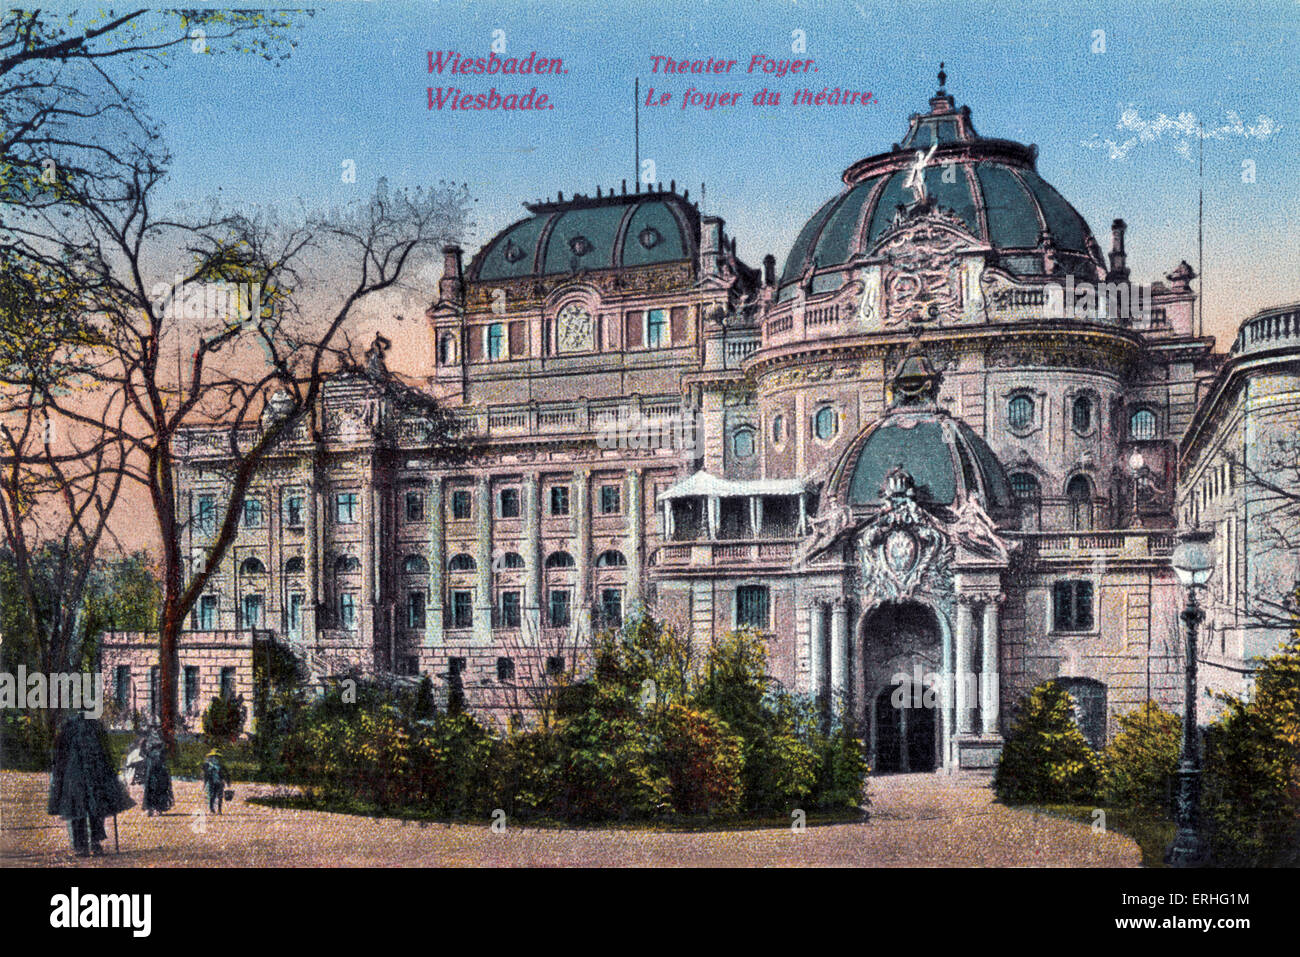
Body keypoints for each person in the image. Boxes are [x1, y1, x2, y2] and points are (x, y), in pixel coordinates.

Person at [47, 713, 134, 857]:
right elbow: (60, 752)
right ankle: (84, 845)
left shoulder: (91, 725)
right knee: (81, 809)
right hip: (78, 773)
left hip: (90, 772)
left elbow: (104, 751)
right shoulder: (72, 726)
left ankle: (91, 843)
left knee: (93, 808)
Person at [136, 727, 174, 816]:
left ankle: (157, 808)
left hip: (159, 770)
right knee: (152, 789)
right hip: (152, 770)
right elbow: (143, 753)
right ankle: (152, 808)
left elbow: (144, 753)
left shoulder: (161, 748)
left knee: (158, 789)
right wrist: (142, 745)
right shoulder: (151, 747)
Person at [201, 749, 228, 814]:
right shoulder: (207, 765)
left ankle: (219, 809)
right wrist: (205, 782)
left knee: (220, 796)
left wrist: (227, 781)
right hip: (211, 782)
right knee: (212, 796)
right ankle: (211, 808)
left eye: (216, 757)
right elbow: (205, 774)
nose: (214, 758)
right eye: (213, 757)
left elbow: (226, 773)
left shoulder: (221, 766)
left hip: (219, 782)